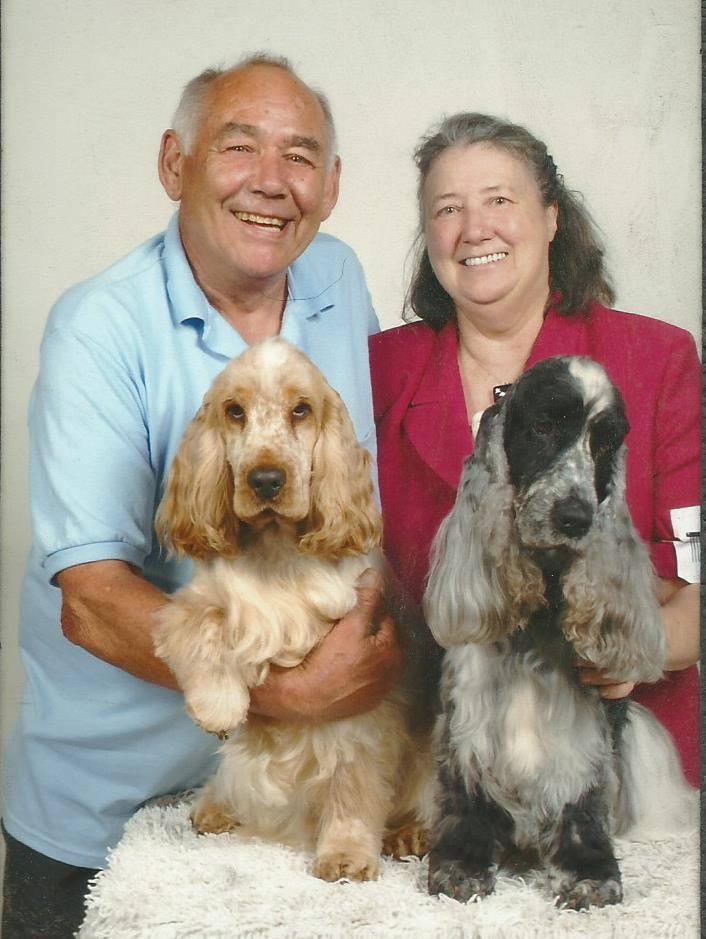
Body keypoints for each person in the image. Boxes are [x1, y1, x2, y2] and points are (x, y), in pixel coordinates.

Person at [1, 53, 404, 938]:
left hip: (297, 802)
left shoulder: (336, 278)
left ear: (333, 185)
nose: (272, 180)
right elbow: (90, 603)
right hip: (116, 808)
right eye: (239, 146)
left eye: (300, 155)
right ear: (174, 163)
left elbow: (359, 491)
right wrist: (297, 693)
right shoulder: (98, 327)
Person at [370, 112, 700, 788]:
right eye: (448, 209)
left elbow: (697, 584)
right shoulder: (378, 369)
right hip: (428, 765)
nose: (474, 228)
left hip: (618, 766)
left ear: (552, 217)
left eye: (499, 199)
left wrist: (634, 648)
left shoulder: (659, 359)